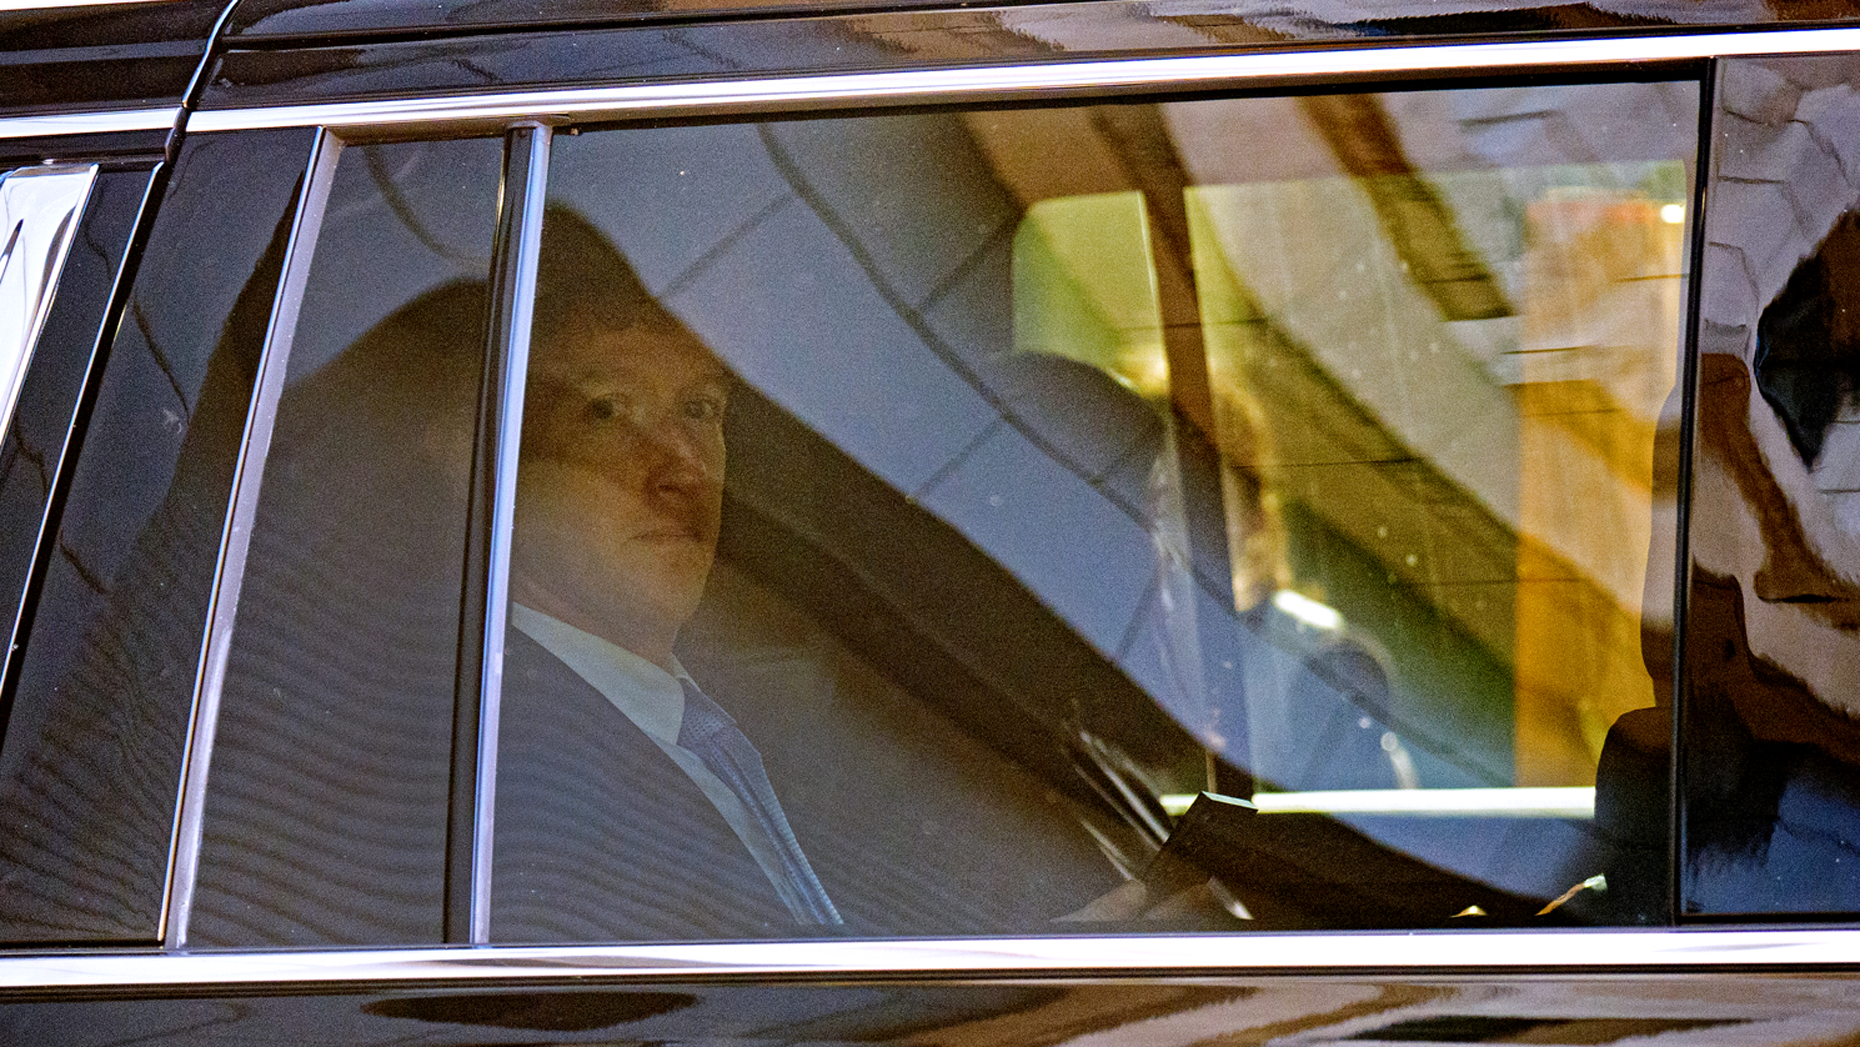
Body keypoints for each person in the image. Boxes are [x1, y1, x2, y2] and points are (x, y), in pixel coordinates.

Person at [489, 208, 844, 940]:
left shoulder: (738, 717)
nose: (682, 465)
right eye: (608, 410)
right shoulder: (513, 788)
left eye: (699, 407)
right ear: (505, 463)